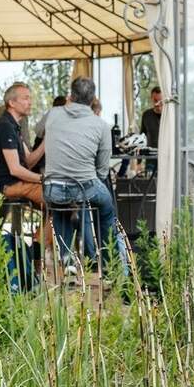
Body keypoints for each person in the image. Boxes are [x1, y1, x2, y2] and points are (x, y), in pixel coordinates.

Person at [43, 77, 127, 274]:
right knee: (106, 208)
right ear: (93, 99)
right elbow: (103, 169)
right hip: (85, 185)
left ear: (70, 96)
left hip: (52, 187)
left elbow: (39, 130)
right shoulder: (101, 126)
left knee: (60, 208)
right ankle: (110, 266)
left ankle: (68, 263)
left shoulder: (53, 114)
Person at [0, 82, 44, 205]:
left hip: (15, 183)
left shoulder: (13, 126)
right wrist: (43, 178)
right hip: (7, 186)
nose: (30, 102)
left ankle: (49, 224)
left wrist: (46, 141)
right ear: (11, 103)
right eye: (25, 98)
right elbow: (15, 169)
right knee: (58, 199)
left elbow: (28, 161)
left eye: (30, 98)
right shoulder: (5, 127)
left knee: (60, 199)